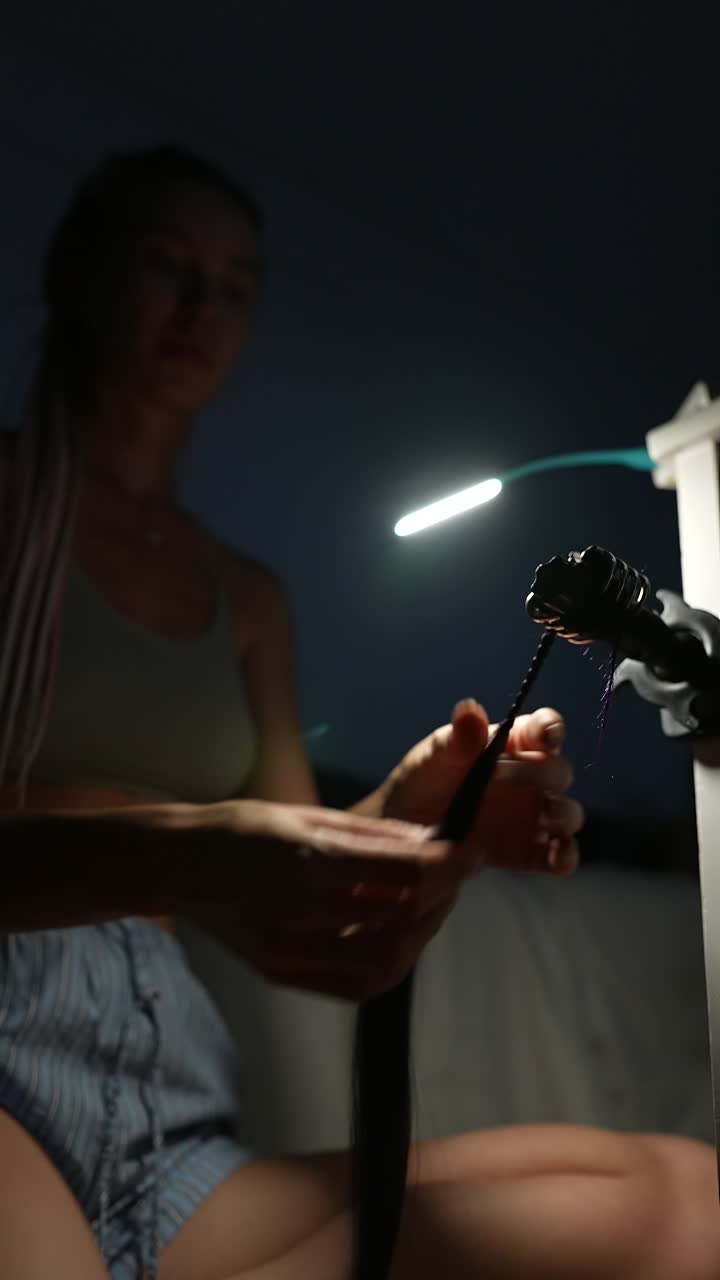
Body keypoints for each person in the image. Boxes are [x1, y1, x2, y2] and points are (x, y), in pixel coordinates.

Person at [0, 144, 715, 1280]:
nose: (202, 307)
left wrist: (434, 822)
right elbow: (229, 858)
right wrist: (192, 849)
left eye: (235, 286)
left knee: (681, 1200)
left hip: (162, 1113)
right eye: (167, 265)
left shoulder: (246, 598)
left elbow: (308, 903)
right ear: (78, 274)